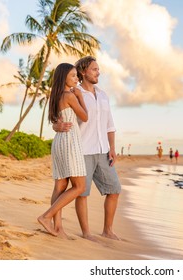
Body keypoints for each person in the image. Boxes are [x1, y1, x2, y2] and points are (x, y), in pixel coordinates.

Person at [53, 56, 122, 241]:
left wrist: (112, 148)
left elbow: (110, 124)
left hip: (103, 150)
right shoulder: (75, 92)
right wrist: (56, 126)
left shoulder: (103, 95)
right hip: (81, 149)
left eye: (98, 69)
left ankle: (108, 230)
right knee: (82, 193)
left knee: (114, 189)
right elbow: (59, 116)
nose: (98, 72)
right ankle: (86, 233)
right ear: (83, 72)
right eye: (94, 69)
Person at [38, 63, 88, 238]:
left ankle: (58, 227)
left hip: (59, 141)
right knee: (80, 186)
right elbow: (85, 116)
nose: (77, 79)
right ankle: (46, 217)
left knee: (60, 186)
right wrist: (80, 96)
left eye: (77, 76)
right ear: (64, 77)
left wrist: (56, 126)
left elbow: (55, 120)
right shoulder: (69, 95)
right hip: (69, 141)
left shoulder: (56, 96)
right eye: (73, 76)